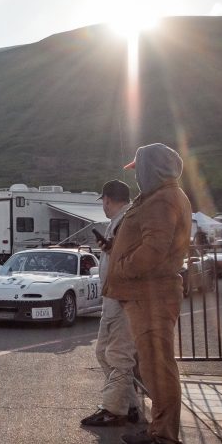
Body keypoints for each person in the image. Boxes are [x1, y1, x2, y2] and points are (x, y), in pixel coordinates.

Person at [103, 143, 192, 444]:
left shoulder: (163, 199)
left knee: (159, 368)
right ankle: (158, 430)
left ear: (150, 170)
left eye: (138, 171)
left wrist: (123, 266)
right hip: (146, 296)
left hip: (151, 296)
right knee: (153, 367)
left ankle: (166, 441)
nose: (136, 178)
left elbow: (155, 249)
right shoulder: (159, 197)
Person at [81, 179, 140, 427]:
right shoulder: (120, 222)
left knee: (117, 354)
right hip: (114, 296)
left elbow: (131, 255)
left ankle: (115, 409)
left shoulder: (127, 221)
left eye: (103, 201)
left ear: (107, 199)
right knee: (105, 352)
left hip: (122, 297)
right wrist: (108, 250)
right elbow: (122, 253)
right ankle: (129, 405)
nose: (103, 205)